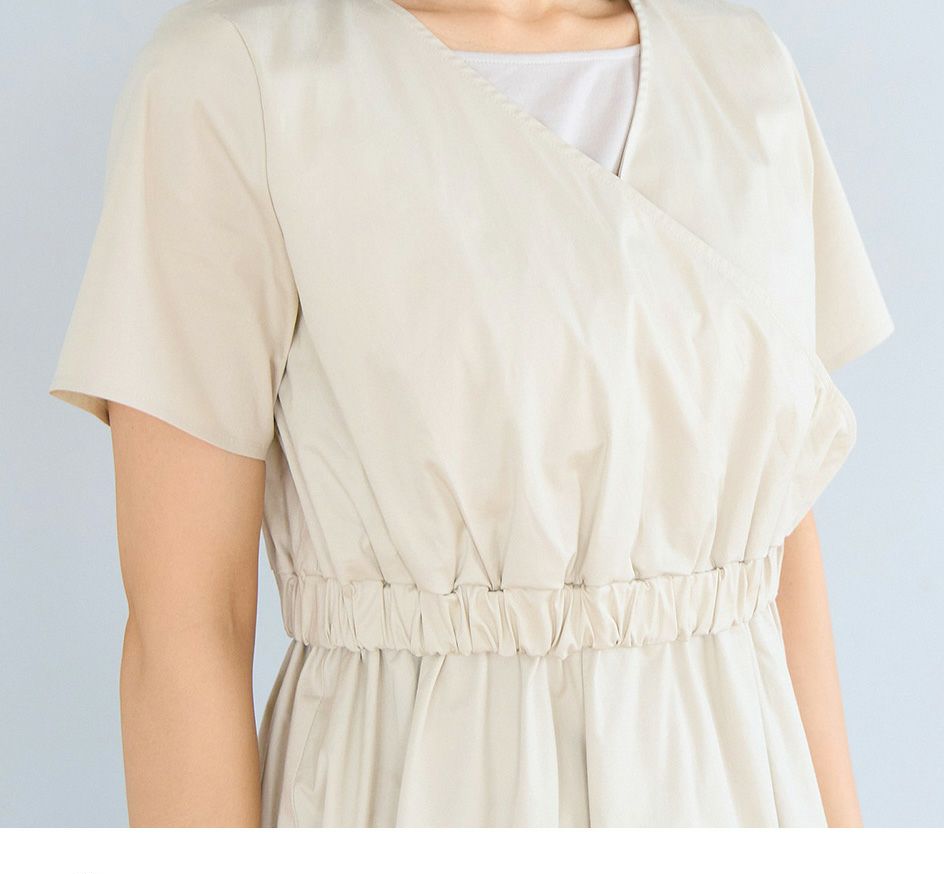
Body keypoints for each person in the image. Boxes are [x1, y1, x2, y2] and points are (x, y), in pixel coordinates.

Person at [49, 0, 895, 828]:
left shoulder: (746, 69)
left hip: (738, 800)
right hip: (418, 792)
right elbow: (187, 629)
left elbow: (775, 540)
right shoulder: (238, 72)